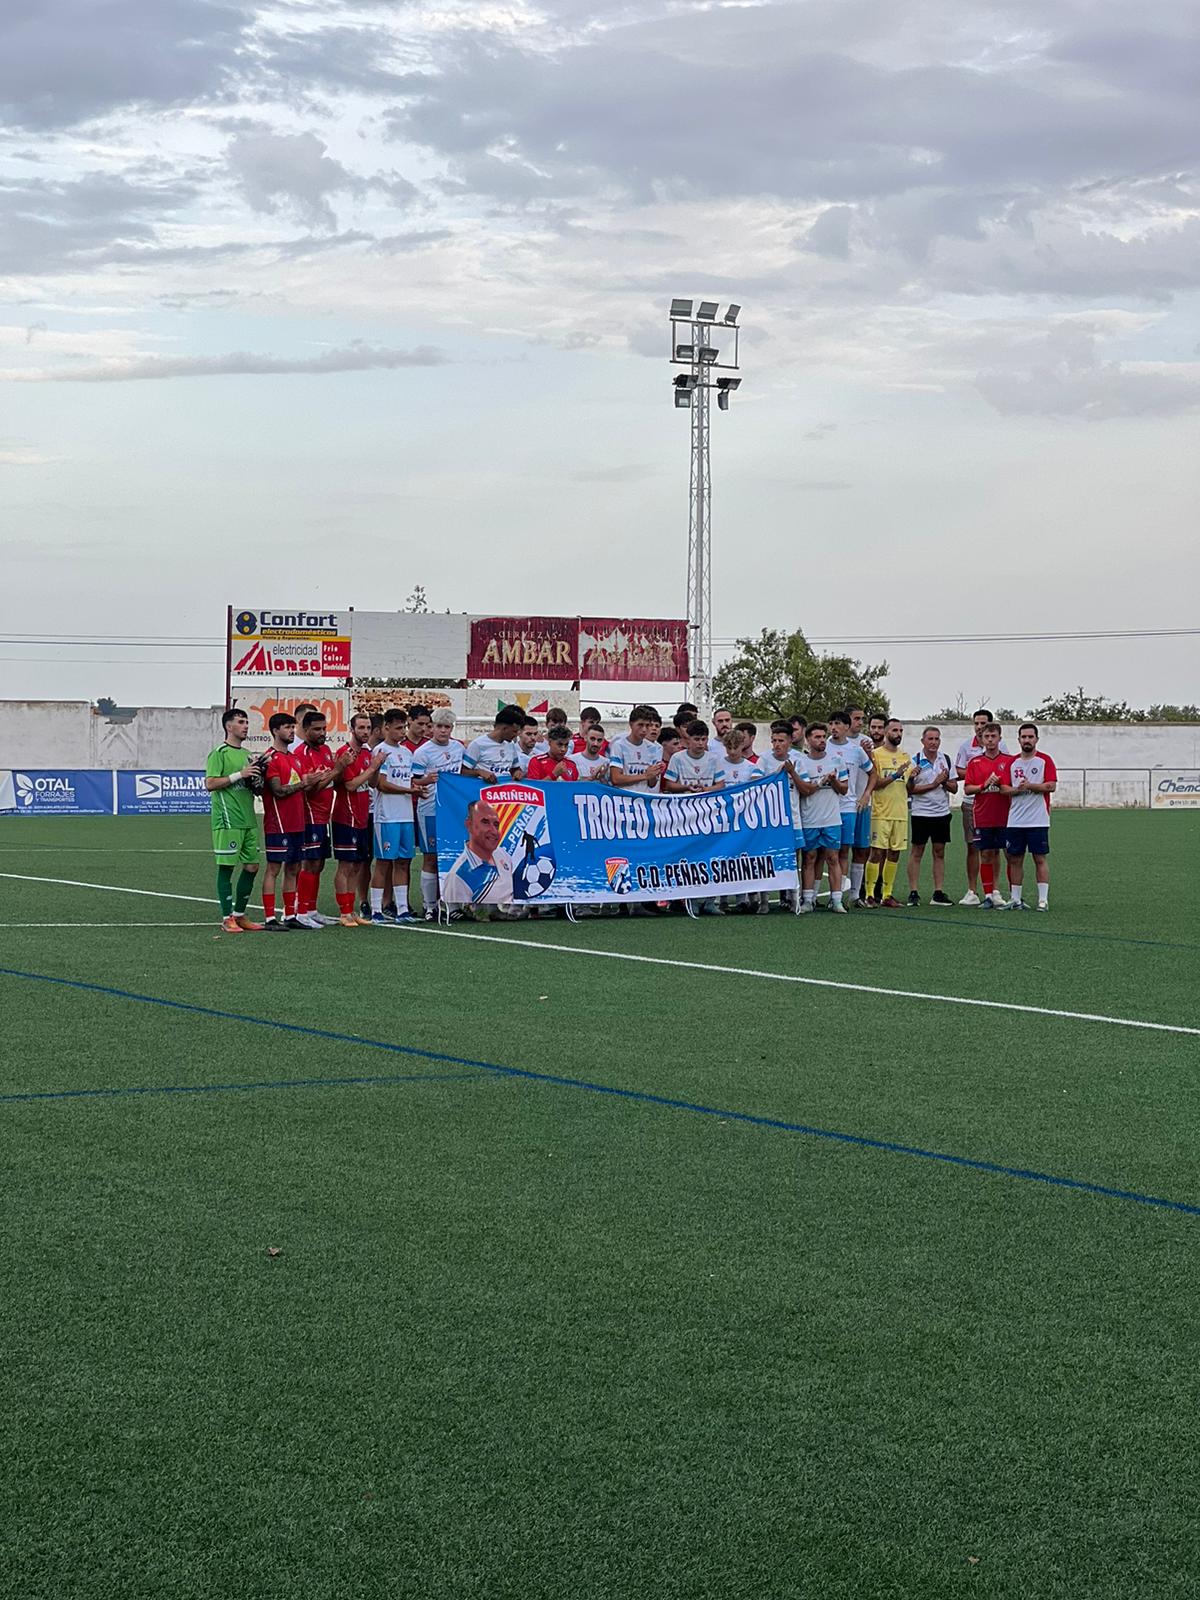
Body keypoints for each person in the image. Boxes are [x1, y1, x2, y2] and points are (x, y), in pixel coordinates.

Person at [411, 708, 488, 921]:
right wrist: (429, 780)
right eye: (439, 726)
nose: (443, 731)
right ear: (431, 727)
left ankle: (452, 905)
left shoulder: (458, 747)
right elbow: (414, 780)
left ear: (452, 728)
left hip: (454, 811)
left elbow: (464, 773)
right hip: (430, 810)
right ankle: (429, 906)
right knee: (431, 858)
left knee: (454, 855)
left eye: (447, 727)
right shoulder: (423, 752)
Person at [204, 707, 266, 934]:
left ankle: (240, 915)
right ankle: (226, 917)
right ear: (229, 726)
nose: (245, 726)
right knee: (227, 867)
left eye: (246, 722)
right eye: (241, 722)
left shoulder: (248, 754)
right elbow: (210, 784)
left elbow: (252, 787)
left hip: (248, 818)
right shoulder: (219, 753)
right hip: (228, 820)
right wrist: (240, 774)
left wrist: (258, 781)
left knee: (252, 866)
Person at [369, 709, 428, 924]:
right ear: (386, 728)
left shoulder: (407, 753)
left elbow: (408, 781)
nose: (402, 732)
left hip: (405, 815)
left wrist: (420, 786)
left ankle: (402, 909)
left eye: (403, 727)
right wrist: (409, 791)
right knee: (384, 862)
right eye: (397, 728)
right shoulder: (380, 751)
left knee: (404, 861)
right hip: (386, 816)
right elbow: (381, 784)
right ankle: (376, 910)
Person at [663, 720, 725, 915]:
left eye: (703, 739)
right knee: (687, 857)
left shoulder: (714, 759)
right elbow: (669, 785)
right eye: (696, 739)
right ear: (687, 740)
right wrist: (687, 788)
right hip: (684, 816)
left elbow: (721, 784)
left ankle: (709, 900)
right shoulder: (678, 759)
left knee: (711, 856)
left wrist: (707, 789)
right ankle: (690, 899)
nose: (700, 743)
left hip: (708, 815)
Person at [261, 712, 316, 930]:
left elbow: (300, 788)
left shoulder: (295, 758)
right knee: (273, 869)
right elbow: (278, 791)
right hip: (278, 823)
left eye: (293, 727)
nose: (292, 731)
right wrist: (304, 784)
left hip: (297, 822)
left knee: (293, 868)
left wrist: (316, 779)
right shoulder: (270, 758)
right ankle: (268, 918)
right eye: (287, 727)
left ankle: (289, 915)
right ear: (275, 730)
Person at [955, 710, 1011, 906]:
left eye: (984, 725)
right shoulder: (968, 751)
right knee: (975, 847)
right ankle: (974, 891)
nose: (980, 728)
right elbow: (961, 773)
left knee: (1000, 850)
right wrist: (983, 783)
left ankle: (999, 891)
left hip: (1001, 809)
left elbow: (1009, 775)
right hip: (975, 808)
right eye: (977, 724)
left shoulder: (1005, 753)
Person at [331, 712, 382, 927]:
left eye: (368, 728)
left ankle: (351, 911)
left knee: (356, 866)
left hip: (362, 817)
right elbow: (350, 785)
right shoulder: (345, 753)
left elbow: (372, 784)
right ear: (352, 729)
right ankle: (344, 912)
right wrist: (372, 767)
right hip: (345, 816)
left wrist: (377, 767)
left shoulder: (367, 754)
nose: (365, 732)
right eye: (360, 727)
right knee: (345, 866)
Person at [293, 710, 342, 928]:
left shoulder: (326, 751)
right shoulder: (301, 753)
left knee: (320, 863)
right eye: (317, 729)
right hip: (309, 814)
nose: (322, 733)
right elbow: (311, 789)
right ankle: (300, 910)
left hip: (325, 813)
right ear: (304, 730)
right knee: (310, 862)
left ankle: (311, 909)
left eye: (324, 728)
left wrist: (338, 770)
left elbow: (330, 780)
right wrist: (338, 770)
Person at [793, 722, 848, 913]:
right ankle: (808, 899)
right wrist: (821, 781)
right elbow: (804, 790)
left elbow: (844, 789)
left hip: (831, 818)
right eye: (817, 737)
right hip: (809, 818)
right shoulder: (801, 762)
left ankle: (837, 900)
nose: (822, 740)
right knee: (809, 858)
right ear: (808, 740)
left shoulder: (836, 761)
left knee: (833, 858)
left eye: (823, 737)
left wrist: (833, 781)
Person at [1004, 723, 1057, 910]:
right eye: (1023, 737)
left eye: (1030, 737)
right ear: (1018, 739)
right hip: (1015, 820)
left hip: (1038, 819)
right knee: (1015, 859)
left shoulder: (1045, 761)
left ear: (1036, 739)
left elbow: (1051, 786)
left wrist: (1031, 786)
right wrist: (1016, 790)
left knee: (1039, 858)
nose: (1027, 740)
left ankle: (1043, 899)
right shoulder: (1012, 763)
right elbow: (1004, 788)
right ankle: (1015, 898)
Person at [757, 719, 806, 909]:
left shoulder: (799, 759)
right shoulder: (764, 759)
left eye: (781, 741)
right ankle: (764, 901)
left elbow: (805, 787)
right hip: (769, 819)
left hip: (792, 817)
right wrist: (777, 773)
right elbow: (755, 785)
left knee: (793, 859)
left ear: (789, 742)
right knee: (767, 859)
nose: (777, 744)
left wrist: (792, 773)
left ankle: (795, 899)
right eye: (774, 740)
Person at [828, 710, 875, 908]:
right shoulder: (823, 746)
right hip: (826, 808)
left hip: (848, 806)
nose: (833, 727)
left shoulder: (856, 750)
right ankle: (815, 897)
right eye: (831, 723)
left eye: (838, 723)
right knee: (825, 853)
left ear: (847, 727)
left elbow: (873, 773)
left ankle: (846, 895)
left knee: (844, 851)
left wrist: (865, 795)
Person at [905, 726, 957, 906]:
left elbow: (954, 787)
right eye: (930, 739)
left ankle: (938, 892)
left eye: (936, 739)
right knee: (917, 851)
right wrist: (935, 783)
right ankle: (913, 892)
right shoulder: (915, 761)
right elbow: (910, 789)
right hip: (921, 813)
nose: (933, 742)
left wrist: (944, 782)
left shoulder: (946, 760)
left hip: (942, 813)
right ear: (923, 741)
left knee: (939, 852)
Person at [717, 727, 765, 912]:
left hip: (744, 819)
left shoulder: (751, 767)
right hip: (722, 819)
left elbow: (755, 791)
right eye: (728, 747)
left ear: (742, 745)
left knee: (742, 858)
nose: (732, 751)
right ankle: (722, 899)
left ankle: (743, 898)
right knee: (723, 858)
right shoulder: (718, 764)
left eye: (735, 747)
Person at [865, 718, 911, 907]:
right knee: (876, 853)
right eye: (894, 730)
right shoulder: (875, 755)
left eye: (900, 731)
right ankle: (869, 894)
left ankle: (887, 895)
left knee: (894, 854)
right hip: (881, 812)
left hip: (900, 813)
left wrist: (912, 778)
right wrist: (896, 774)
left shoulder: (905, 756)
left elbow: (908, 787)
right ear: (885, 732)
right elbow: (874, 784)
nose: (898, 734)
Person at [442, 799, 515, 905]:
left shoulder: (502, 855)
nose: (494, 831)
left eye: (496, 825)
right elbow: (457, 915)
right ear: (469, 825)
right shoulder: (458, 877)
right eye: (485, 822)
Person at [609, 705, 664, 792]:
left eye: (647, 725)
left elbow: (652, 784)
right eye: (640, 725)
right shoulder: (619, 745)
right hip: (625, 797)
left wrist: (654, 774)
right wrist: (645, 776)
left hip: (643, 798)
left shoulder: (653, 748)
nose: (644, 729)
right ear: (631, 724)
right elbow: (616, 779)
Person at [466, 708, 523, 780]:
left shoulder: (511, 744)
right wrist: (479, 772)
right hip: (484, 789)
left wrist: (518, 773)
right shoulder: (478, 744)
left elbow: (516, 768)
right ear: (504, 729)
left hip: (506, 790)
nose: (516, 735)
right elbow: (463, 771)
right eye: (514, 731)